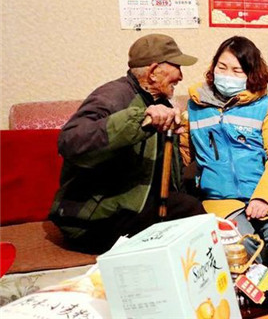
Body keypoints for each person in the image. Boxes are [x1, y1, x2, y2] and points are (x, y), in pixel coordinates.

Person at [184, 36, 268, 319]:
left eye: (237, 70)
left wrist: (264, 197)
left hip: (265, 191)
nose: (227, 75)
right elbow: (184, 152)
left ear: (251, 74)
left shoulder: (265, 106)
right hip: (220, 198)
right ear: (213, 67)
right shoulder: (195, 106)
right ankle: (260, 297)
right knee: (241, 243)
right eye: (222, 67)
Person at [49, 34, 205, 254]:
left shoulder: (160, 102)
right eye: (177, 67)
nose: (181, 75)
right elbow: (70, 141)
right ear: (153, 71)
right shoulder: (112, 96)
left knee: (191, 209)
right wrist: (139, 119)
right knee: (190, 211)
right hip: (92, 219)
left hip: (132, 207)